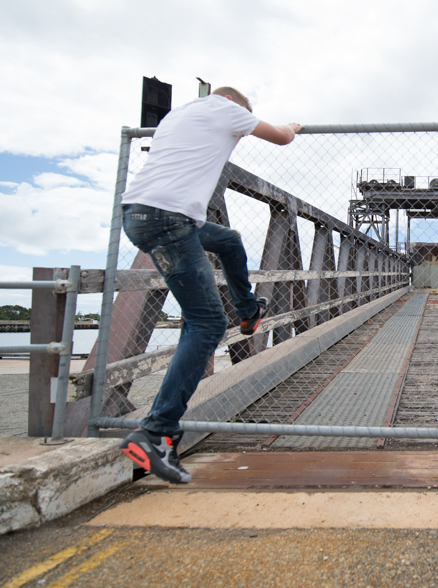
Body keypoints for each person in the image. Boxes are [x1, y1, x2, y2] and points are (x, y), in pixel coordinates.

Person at [118, 86, 303, 484]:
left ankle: (249, 310)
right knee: (206, 325)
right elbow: (282, 137)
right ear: (237, 105)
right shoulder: (228, 109)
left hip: (139, 214)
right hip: (170, 219)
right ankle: (156, 431)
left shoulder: (179, 115)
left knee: (230, 241)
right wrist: (293, 126)